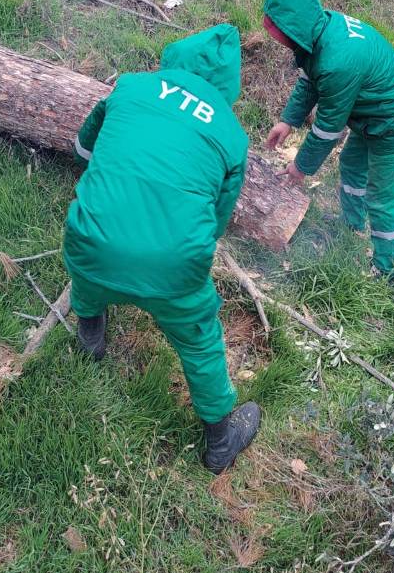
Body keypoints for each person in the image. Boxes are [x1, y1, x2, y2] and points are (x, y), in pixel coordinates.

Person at [62, 24, 260, 475]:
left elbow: (82, 147)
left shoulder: (130, 86)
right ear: (228, 86)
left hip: (92, 238)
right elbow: (217, 221)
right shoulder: (231, 135)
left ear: (175, 58)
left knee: (89, 258)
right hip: (173, 265)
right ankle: (220, 441)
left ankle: (90, 331)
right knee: (199, 338)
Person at [263, 0, 394, 275]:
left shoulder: (338, 61)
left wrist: (301, 167)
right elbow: (310, 78)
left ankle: (387, 268)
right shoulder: (322, 30)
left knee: (382, 197)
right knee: (351, 162)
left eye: (276, 30)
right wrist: (288, 120)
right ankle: (351, 224)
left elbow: (328, 129)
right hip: (372, 116)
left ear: (292, 26)